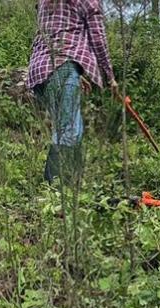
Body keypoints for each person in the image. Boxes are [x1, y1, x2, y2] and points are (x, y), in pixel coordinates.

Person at [27, 0, 119, 184]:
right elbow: (98, 38)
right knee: (68, 129)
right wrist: (110, 77)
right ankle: (55, 186)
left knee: (71, 128)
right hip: (62, 67)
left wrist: (77, 73)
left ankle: (71, 184)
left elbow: (53, 33)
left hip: (41, 69)